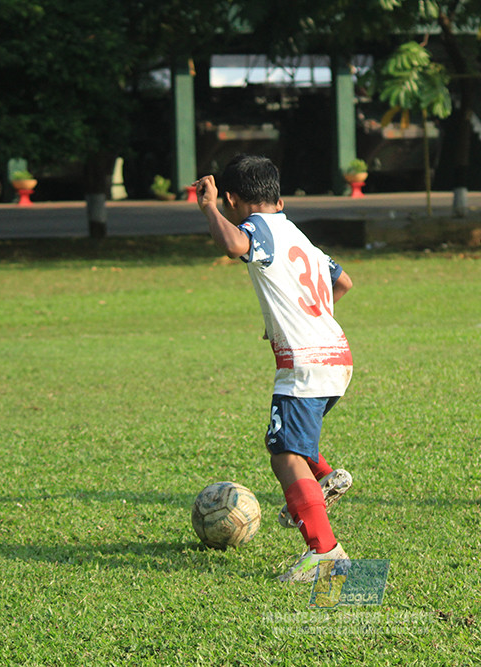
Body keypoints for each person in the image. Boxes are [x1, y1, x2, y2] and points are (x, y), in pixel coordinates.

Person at [195, 154, 354, 582]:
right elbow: (342, 281)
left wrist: (208, 208)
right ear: (277, 197)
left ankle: (325, 554)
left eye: (223, 202)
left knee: (283, 455)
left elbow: (233, 246)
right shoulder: (296, 233)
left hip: (305, 360)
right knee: (291, 441)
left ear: (232, 198)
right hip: (336, 354)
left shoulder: (257, 227)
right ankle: (325, 476)